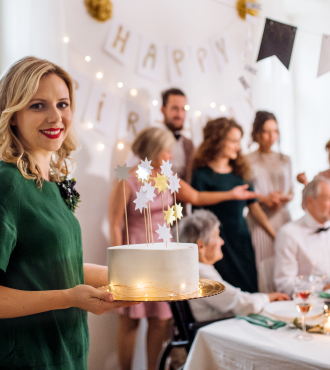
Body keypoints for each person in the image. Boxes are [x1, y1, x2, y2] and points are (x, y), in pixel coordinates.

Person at [0, 57, 136, 370]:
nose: (56, 117)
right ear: (12, 115)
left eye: (63, 104)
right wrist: (70, 298)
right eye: (38, 105)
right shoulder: (2, 187)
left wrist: (140, 278)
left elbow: (52, 266)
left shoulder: (51, 182)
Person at [108, 127, 257, 370]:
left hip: (164, 254)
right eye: (167, 150)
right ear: (154, 151)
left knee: (161, 318)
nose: (170, 155)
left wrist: (231, 194)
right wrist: (118, 262)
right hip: (136, 253)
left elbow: (197, 198)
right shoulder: (128, 178)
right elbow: (115, 224)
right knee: (131, 319)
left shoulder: (167, 177)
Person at [191, 117, 276, 293]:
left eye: (239, 141)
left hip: (241, 240)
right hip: (216, 243)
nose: (238, 146)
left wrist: (274, 234)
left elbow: (253, 207)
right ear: (217, 140)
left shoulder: (241, 172)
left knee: (248, 289)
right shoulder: (201, 174)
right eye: (233, 141)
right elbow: (197, 210)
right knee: (221, 292)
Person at [178, 210, 289, 322]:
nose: (221, 242)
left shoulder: (194, 269)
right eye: (216, 236)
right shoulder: (199, 273)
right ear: (200, 246)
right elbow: (242, 304)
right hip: (218, 330)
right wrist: (268, 298)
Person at [274, 177, 330, 296]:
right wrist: (324, 288)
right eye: (329, 199)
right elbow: (284, 285)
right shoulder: (288, 234)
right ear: (310, 201)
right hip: (307, 306)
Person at [246, 111, 294, 289]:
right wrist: (264, 198)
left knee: (286, 261)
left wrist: (283, 197)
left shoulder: (285, 159)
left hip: (282, 216)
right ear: (257, 134)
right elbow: (247, 195)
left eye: (275, 131)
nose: (271, 136)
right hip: (259, 219)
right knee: (264, 265)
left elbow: (291, 192)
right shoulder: (247, 160)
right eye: (266, 131)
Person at [161, 88, 194, 182]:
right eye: (175, 108)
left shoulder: (189, 144)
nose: (180, 114)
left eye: (183, 109)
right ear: (163, 110)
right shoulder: (150, 140)